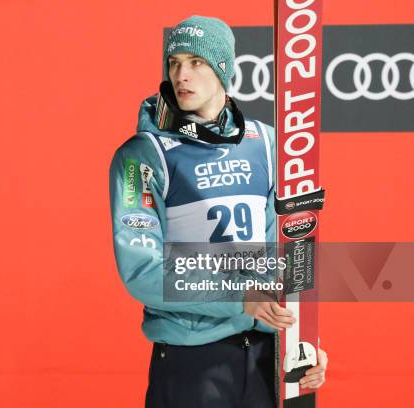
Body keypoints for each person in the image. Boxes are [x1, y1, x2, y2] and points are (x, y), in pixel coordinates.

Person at [109, 15, 327, 407]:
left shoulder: (268, 143)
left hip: (264, 355)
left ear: (223, 70)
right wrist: (239, 294)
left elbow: (289, 257)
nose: (181, 74)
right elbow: (143, 272)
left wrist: (302, 341)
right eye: (174, 62)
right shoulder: (142, 155)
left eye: (196, 62)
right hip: (192, 362)